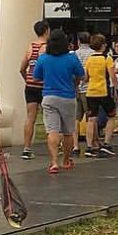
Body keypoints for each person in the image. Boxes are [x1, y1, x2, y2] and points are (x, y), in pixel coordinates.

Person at [32, 28, 86, 174]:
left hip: (49, 96)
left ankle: (54, 161)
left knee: (52, 131)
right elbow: (82, 75)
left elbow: (36, 77)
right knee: (68, 132)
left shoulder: (43, 58)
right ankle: (66, 160)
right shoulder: (71, 58)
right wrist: (74, 82)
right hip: (68, 97)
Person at [19, 20, 49, 160]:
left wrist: (27, 79)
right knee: (49, 117)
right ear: (46, 31)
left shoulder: (30, 47)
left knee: (30, 117)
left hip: (30, 85)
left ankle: (27, 148)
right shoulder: (47, 47)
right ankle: (55, 145)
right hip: (44, 86)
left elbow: (22, 68)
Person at [83, 34, 117, 158]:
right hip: (103, 91)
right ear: (103, 45)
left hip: (91, 92)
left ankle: (89, 146)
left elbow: (85, 78)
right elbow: (112, 76)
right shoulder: (107, 58)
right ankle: (106, 143)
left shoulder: (89, 59)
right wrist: (117, 89)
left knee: (91, 119)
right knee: (111, 115)